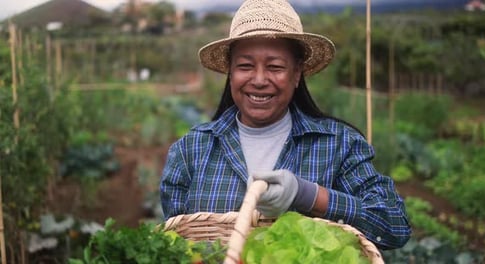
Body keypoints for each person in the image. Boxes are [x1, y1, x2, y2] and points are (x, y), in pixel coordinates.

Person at [160, 0, 411, 250]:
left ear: (297, 72)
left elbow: (394, 226)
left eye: (275, 67)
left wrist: (309, 195)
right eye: (245, 66)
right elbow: (176, 244)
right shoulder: (191, 150)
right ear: (230, 72)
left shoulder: (339, 145)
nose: (259, 80)